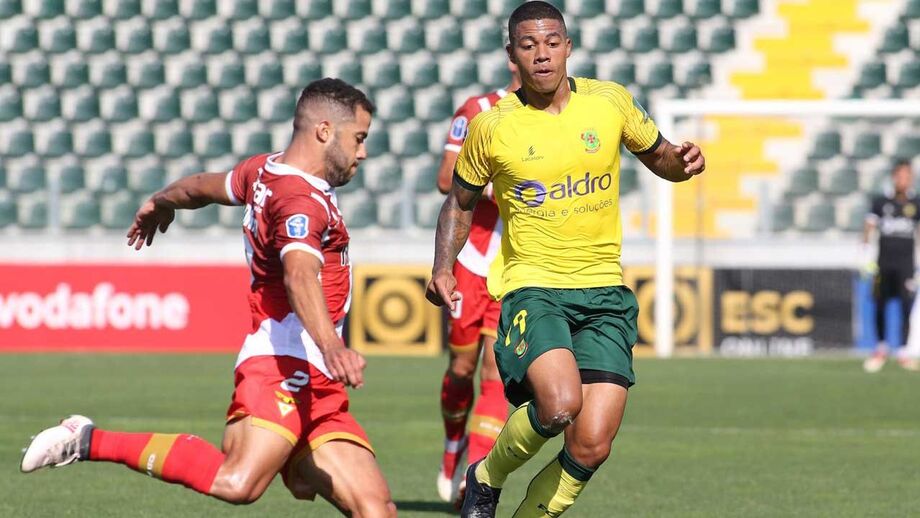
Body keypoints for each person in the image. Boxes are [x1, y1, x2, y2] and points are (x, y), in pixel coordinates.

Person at [20, 78, 397, 517]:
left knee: (376, 510)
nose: (362, 153)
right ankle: (86, 439)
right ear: (324, 131)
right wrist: (333, 347)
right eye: (359, 138)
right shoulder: (300, 201)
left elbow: (202, 186)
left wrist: (163, 201)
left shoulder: (264, 170)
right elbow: (298, 275)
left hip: (318, 380)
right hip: (284, 364)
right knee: (237, 482)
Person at [426, 3, 706, 517]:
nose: (542, 54)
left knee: (591, 444)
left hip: (604, 290)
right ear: (512, 55)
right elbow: (459, 201)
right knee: (559, 406)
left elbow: (660, 156)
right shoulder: (492, 126)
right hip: (534, 286)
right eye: (528, 45)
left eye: (552, 42)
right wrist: (443, 266)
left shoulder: (609, 101)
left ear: (568, 47)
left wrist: (682, 163)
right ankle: (485, 476)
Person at [435, 62, 522, 505]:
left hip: (517, 268)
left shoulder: (554, 119)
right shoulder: (478, 109)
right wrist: (504, 186)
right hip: (471, 263)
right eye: (527, 46)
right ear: (512, 56)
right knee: (461, 369)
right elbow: (445, 178)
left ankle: (473, 476)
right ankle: (453, 443)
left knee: (494, 372)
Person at [862, 160, 920, 373]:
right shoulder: (880, 202)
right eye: (900, 176)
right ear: (894, 177)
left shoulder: (916, 203)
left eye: (907, 176)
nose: (903, 180)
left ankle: (903, 352)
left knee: (906, 306)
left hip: (906, 266)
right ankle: (880, 348)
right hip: (883, 264)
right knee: (880, 304)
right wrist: (864, 255)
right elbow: (868, 228)